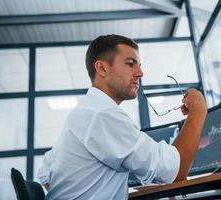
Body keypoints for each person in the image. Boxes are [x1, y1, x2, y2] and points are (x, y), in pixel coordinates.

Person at [37, 34, 207, 200]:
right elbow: (175, 172)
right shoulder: (102, 114)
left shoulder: (86, 111)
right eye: (130, 64)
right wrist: (198, 108)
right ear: (102, 68)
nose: (140, 73)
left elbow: (44, 171)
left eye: (139, 65)